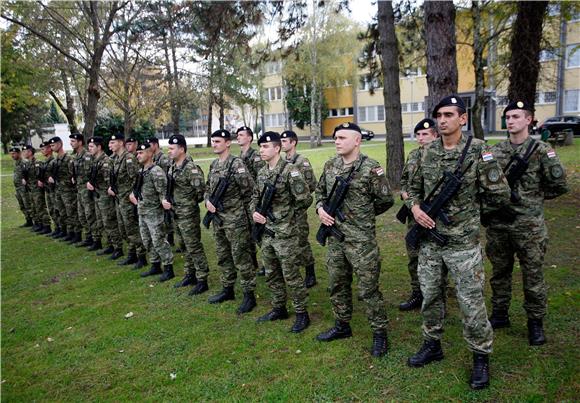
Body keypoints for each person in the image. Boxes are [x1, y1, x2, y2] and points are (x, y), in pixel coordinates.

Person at [405, 95, 511, 390]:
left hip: (463, 244)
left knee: (471, 302)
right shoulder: (426, 153)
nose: (442, 120)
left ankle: (480, 355)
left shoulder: (478, 151)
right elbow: (410, 189)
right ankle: (432, 343)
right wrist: (415, 209)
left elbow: (500, 194)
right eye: (439, 115)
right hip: (430, 243)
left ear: (462, 119)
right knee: (430, 296)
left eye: (449, 115)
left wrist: (472, 213)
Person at [485, 100, 569, 346]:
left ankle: (535, 322)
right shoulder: (496, 152)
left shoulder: (542, 150)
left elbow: (559, 185)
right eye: (508, 117)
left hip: (529, 226)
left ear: (529, 119)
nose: (511, 121)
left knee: (533, 274)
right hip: (499, 225)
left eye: (516, 116)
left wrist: (533, 201)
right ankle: (500, 314)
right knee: (500, 272)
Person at [315, 122, 394, 358]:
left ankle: (379, 333)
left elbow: (385, 200)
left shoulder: (371, 168)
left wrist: (361, 217)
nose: (337, 141)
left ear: (357, 140)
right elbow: (319, 193)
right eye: (335, 138)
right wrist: (320, 209)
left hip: (361, 242)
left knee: (368, 289)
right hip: (335, 238)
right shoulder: (330, 166)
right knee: (337, 283)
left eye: (341, 137)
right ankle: (342, 325)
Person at [252, 132, 313, 333]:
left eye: (266, 146)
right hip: (267, 232)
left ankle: (302, 313)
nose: (261, 150)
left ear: (277, 148)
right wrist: (255, 212)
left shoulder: (290, 171)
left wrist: (287, 216)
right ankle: (279, 308)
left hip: (285, 234)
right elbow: (255, 196)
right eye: (260, 146)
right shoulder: (261, 172)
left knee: (291, 275)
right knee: (271, 272)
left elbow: (305, 199)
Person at [205, 129, 257, 314]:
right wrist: (207, 201)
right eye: (213, 141)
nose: (214, 144)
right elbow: (207, 189)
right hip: (218, 220)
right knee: (223, 255)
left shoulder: (236, 165)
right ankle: (227, 289)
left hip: (236, 221)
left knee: (241, 258)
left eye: (218, 141)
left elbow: (250, 192)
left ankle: (249, 295)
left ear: (228, 143)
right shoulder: (213, 165)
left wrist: (243, 215)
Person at [398, 119, 439, 311]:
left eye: (425, 134)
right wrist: (407, 198)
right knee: (413, 255)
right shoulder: (414, 155)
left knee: (435, 258)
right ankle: (417, 294)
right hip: (413, 215)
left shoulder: (441, 155)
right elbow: (404, 182)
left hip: (434, 216)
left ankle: (437, 297)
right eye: (418, 135)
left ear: (435, 136)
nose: (421, 138)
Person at [162, 134, 211, 295]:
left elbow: (200, 192)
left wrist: (187, 203)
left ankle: (202, 278)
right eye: (168, 148)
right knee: (184, 245)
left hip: (188, 214)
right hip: (176, 213)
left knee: (194, 246)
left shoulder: (190, 168)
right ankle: (190, 274)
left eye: (172, 148)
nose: (169, 151)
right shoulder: (172, 167)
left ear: (181, 149)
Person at [130, 142, 175, 281]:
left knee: (159, 240)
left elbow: (164, 194)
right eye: (137, 153)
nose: (138, 155)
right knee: (147, 240)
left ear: (150, 153)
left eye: (141, 153)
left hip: (155, 213)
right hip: (142, 211)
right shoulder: (141, 171)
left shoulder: (156, 172)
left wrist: (164, 205)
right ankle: (155, 265)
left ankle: (168, 267)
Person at [280, 130, 318, 288]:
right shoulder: (282, 161)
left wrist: (299, 199)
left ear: (293, 142)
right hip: (285, 211)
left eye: (285, 141)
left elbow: (311, 185)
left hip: (298, 210)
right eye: (281, 141)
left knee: (301, 241)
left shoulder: (302, 161)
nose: (282, 143)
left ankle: (310, 273)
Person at [109, 133, 147, 266]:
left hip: (128, 199)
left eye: (113, 143)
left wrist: (133, 195)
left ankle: (141, 256)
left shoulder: (129, 158)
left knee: (132, 229)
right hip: (120, 199)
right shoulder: (116, 158)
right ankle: (132, 254)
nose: (110, 145)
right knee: (124, 228)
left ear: (120, 143)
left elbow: (136, 179)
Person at [86, 137, 123, 257]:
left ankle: (118, 247)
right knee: (102, 222)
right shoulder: (95, 160)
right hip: (98, 195)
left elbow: (110, 183)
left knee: (109, 222)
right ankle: (110, 245)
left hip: (105, 197)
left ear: (99, 147)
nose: (89, 149)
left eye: (92, 146)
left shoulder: (105, 161)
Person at [236, 125, 265, 275]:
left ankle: (267, 263)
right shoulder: (239, 157)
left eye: (241, 135)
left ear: (249, 138)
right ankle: (252, 262)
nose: (238, 137)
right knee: (246, 234)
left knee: (258, 232)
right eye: (237, 135)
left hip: (254, 202)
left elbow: (262, 179)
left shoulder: (256, 157)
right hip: (241, 203)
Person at [47, 137, 77, 240]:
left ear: (60, 144)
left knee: (71, 213)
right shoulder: (55, 161)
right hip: (58, 190)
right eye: (50, 146)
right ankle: (67, 232)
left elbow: (74, 176)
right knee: (61, 212)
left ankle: (75, 234)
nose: (52, 147)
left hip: (68, 191)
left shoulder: (69, 159)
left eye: (53, 145)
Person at [68, 132, 91, 245]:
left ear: (80, 142)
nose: (71, 143)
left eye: (73, 141)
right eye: (71, 141)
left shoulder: (87, 156)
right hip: (79, 189)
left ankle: (94, 239)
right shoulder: (75, 156)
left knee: (89, 215)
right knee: (82, 215)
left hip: (86, 191)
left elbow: (90, 174)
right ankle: (88, 237)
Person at [27, 143, 52, 234]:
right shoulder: (28, 163)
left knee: (40, 207)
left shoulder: (38, 163)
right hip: (32, 188)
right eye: (41, 149)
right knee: (35, 207)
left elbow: (40, 176)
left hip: (38, 189)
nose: (42, 151)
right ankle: (39, 224)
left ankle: (46, 225)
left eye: (43, 149)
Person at [10, 146, 33, 227]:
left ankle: (35, 222)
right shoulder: (16, 163)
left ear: (19, 153)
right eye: (11, 154)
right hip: (18, 188)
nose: (12, 155)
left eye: (14, 153)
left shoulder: (24, 162)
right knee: (22, 206)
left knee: (28, 205)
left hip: (25, 188)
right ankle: (28, 221)